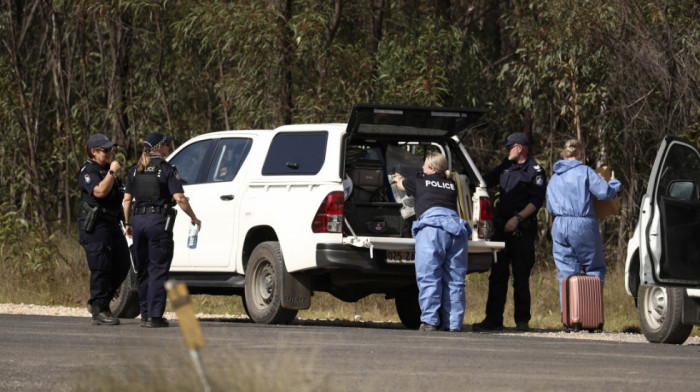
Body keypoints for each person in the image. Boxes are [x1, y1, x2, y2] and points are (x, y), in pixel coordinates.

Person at [123, 132, 201, 328]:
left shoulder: (135, 169)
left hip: (138, 222)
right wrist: (193, 217)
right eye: (166, 144)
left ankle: (145, 314)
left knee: (143, 270)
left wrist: (128, 223)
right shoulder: (166, 169)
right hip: (157, 222)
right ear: (159, 147)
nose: (168, 147)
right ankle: (155, 316)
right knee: (158, 269)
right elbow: (180, 198)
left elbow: (127, 200)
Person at [473, 132, 546, 332]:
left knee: (521, 278)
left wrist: (518, 218)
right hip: (502, 229)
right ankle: (493, 319)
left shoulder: (535, 171)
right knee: (497, 276)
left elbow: (536, 201)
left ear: (520, 148)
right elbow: (484, 180)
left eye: (509, 147)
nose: (506, 150)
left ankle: (522, 321)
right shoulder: (505, 167)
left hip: (521, 229)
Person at [393, 152, 471, 332]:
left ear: (432, 168)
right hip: (456, 230)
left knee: (429, 276)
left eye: (425, 165)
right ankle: (453, 324)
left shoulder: (418, 181)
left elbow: (400, 185)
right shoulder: (451, 184)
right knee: (455, 280)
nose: (422, 167)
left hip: (432, 230)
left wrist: (398, 177)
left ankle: (430, 321)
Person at [546, 139, 621, 310]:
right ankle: (590, 315)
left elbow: (550, 207)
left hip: (559, 224)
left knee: (566, 272)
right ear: (580, 154)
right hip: (582, 223)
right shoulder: (585, 171)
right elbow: (604, 194)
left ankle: (569, 318)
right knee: (594, 268)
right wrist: (614, 184)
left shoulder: (554, 177)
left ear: (564, 154)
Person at [78, 133, 130, 325]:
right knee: (101, 267)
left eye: (110, 150)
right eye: (105, 150)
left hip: (112, 224)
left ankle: (100, 302)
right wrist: (111, 173)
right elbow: (99, 191)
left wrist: (127, 222)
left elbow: (122, 198)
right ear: (93, 152)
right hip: (95, 225)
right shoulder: (88, 171)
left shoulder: (110, 172)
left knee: (123, 264)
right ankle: (100, 308)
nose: (109, 154)